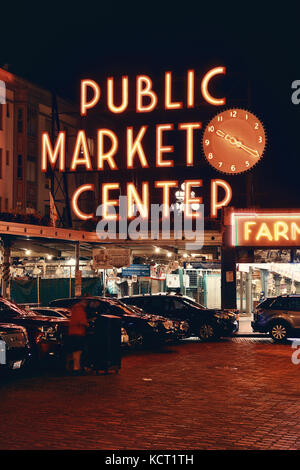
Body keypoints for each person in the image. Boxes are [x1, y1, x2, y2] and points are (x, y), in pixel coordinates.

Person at [66, 299, 89, 374]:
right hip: (78, 333)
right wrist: (87, 324)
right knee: (77, 352)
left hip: (73, 332)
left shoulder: (74, 308)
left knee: (75, 352)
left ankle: (74, 367)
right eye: (86, 302)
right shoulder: (79, 309)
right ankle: (76, 368)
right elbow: (81, 321)